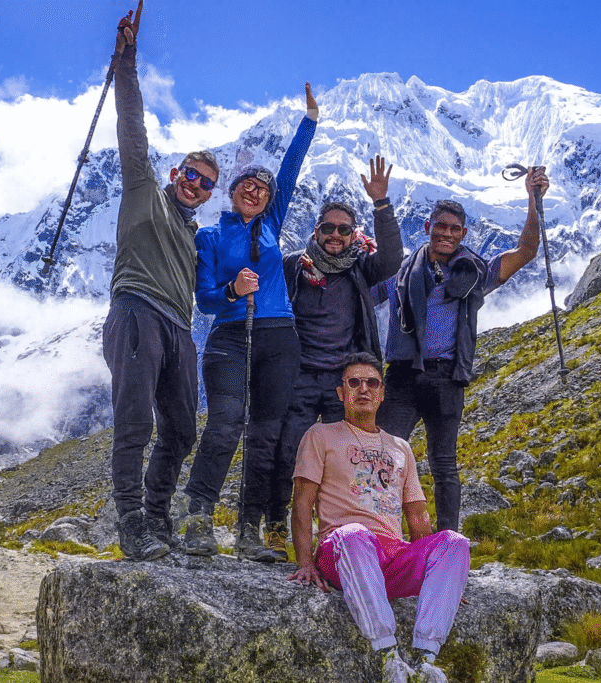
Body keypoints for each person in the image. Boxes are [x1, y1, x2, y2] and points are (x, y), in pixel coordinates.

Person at [103, 1, 220, 561]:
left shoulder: (197, 235)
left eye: (206, 183)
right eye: (192, 175)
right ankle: (131, 524)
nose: (197, 185)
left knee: (180, 428)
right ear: (176, 174)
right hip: (135, 312)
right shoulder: (143, 188)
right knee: (134, 422)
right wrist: (126, 65)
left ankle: (156, 517)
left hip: (179, 328)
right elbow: (133, 127)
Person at [182, 84, 319, 561]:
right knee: (224, 423)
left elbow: (292, 169)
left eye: (263, 188)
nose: (256, 190)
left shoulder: (271, 223)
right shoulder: (211, 236)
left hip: (279, 336)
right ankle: (198, 518)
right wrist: (232, 292)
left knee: (265, 433)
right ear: (234, 190)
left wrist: (309, 122)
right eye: (247, 184)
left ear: (268, 198)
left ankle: (248, 531)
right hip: (229, 336)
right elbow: (205, 302)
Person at [374, 168, 550, 533]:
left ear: (464, 234)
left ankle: (447, 543)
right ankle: (380, 532)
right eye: (441, 226)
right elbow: (361, 294)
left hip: (446, 378)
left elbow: (527, 252)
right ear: (427, 227)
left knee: (444, 465)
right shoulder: (398, 272)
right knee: (384, 457)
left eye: (455, 229)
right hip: (402, 376)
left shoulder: (474, 274)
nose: (447, 234)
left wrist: (534, 199)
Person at [288, 353, 469, 683]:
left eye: (372, 382)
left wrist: (441, 577)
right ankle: (388, 657)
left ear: (382, 393)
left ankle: (425, 660)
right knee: (354, 533)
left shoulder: (400, 446)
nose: (363, 389)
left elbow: (416, 515)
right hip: (343, 550)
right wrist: (304, 562)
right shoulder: (321, 435)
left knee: (455, 543)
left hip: (392, 556)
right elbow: (302, 502)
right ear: (341, 393)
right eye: (353, 382)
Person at [262, 156, 404, 562]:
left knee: (342, 460)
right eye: (328, 228)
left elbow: (392, 258)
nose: (336, 236)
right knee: (288, 453)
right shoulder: (294, 268)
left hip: (343, 384)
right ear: (317, 231)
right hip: (298, 377)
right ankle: (274, 526)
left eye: (344, 229)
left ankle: (334, 534)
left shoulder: (361, 269)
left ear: (353, 234)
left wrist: (381, 204)